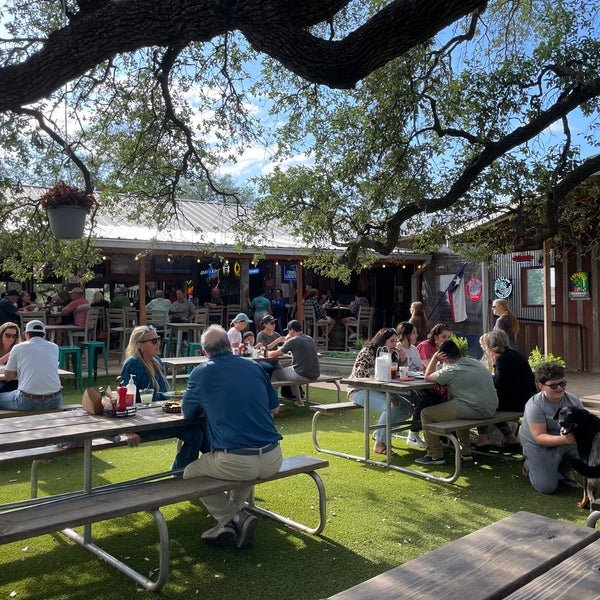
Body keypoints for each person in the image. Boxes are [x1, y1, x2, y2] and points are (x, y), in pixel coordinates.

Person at [182, 325, 283, 548]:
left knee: (190, 473)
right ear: (230, 345)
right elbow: (274, 408)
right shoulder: (254, 367)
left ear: (204, 352)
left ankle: (234, 517)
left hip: (238, 461)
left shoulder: (200, 373)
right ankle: (233, 519)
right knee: (241, 466)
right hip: (274, 457)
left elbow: (187, 413)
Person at [119, 325, 206, 470]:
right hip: (143, 423)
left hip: (163, 418)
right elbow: (124, 399)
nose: (158, 343)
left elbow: (164, 395)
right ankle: (221, 462)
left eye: (158, 339)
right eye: (153, 341)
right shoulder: (133, 364)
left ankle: (183, 473)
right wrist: (128, 431)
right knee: (198, 428)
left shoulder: (157, 361)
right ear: (140, 345)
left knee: (196, 432)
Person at [415, 339, 498, 466]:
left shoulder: (451, 370)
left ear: (444, 357)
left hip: (475, 409)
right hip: (490, 408)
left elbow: (428, 377)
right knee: (458, 405)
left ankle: (435, 455)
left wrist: (434, 359)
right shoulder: (474, 362)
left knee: (426, 414)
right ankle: (466, 451)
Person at [346, 327, 412, 455]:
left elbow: (397, 375)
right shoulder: (368, 352)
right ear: (383, 341)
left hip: (382, 391)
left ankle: (379, 434)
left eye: (396, 341)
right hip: (358, 390)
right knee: (390, 405)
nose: (395, 344)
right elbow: (362, 378)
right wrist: (388, 394)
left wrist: (403, 360)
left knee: (407, 407)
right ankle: (380, 443)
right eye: (392, 341)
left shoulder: (392, 354)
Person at [520, 362, 583, 494]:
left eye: (563, 383)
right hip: (539, 445)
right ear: (541, 386)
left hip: (566, 440)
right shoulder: (535, 405)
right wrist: (564, 440)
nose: (560, 388)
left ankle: (562, 466)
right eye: (553, 385)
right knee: (547, 487)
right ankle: (530, 464)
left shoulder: (573, 401)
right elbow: (539, 437)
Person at [474, 330, 536, 448]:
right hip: (526, 399)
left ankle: (483, 438)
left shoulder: (502, 359)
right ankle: (510, 437)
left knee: (482, 405)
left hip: (517, 402)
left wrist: (486, 380)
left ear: (490, 345)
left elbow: (499, 385)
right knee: (490, 404)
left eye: (484, 346)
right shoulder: (515, 354)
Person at [395, 321, 443, 448]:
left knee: (437, 397)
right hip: (403, 386)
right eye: (414, 333)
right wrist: (414, 386)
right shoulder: (397, 349)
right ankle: (413, 434)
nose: (417, 335)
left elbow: (420, 369)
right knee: (424, 400)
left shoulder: (414, 349)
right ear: (406, 335)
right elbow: (397, 372)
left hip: (417, 383)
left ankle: (433, 433)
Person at [0, 320, 63, 411]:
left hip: (28, 401)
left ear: (26, 334)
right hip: (55, 400)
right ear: (44, 335)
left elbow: (8, 376)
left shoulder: (18, 347)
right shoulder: (54, 347)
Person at [268, 319, 320, 407]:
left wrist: (266, 353)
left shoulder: (293, 340)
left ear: (292, 330)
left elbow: (274, 354)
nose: (288, 332)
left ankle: (273, 402)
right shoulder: (310, 338)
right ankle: (299, 400)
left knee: (276, 373)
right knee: (292, 370)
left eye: (288, 330)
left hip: (302, 374)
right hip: (315, 374)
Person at [0, 322, 20, 393]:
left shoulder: (18, 348)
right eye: (8, 335)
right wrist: (10, 354)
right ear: (1, 334)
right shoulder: (15, 350)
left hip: (12, 380)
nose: (11, 338)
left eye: (14, 336)